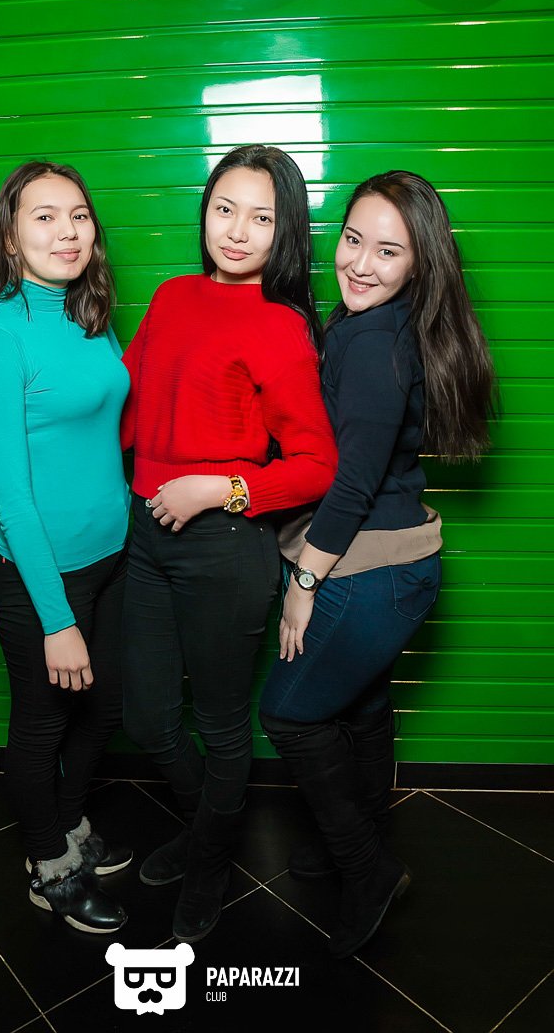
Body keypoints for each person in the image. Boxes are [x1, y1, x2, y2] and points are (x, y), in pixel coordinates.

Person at [259, 170, 497, 959]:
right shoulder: (386, 324)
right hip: (400, 566)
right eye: (353, 240)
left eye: (387, 251)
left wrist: (304, 582)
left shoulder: (370, 341)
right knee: (359, 707)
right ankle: (353, 839)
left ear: (420, 261)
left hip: (367, 572)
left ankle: (367, 867)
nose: (360, 264)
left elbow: (354, 482)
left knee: (290, 714)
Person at [119, 144, 338, 944]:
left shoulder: (280, 325)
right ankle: (212, 828)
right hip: (144, 533)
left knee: (218, 726)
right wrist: (35, 482)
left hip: (224, 545)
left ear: (286, 231)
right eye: (224, 209)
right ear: (205, 211)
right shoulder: (172, 296)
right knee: (146, 717)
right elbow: (124, 413)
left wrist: (219, 487)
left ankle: (209, 861)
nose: (237, 231)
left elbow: (317, 464)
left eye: (261, 217)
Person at [0, 161, 133, 934]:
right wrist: (57, 619)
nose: (67, 231)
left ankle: (69, 825)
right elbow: (16, 494)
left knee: (102, 712)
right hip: (42, 580)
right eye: (44, 216)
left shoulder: (90, 315)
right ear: (10, 236)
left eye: (79, 215)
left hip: (111, 558)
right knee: (42, 727)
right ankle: (49, 867)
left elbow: (98, 433)